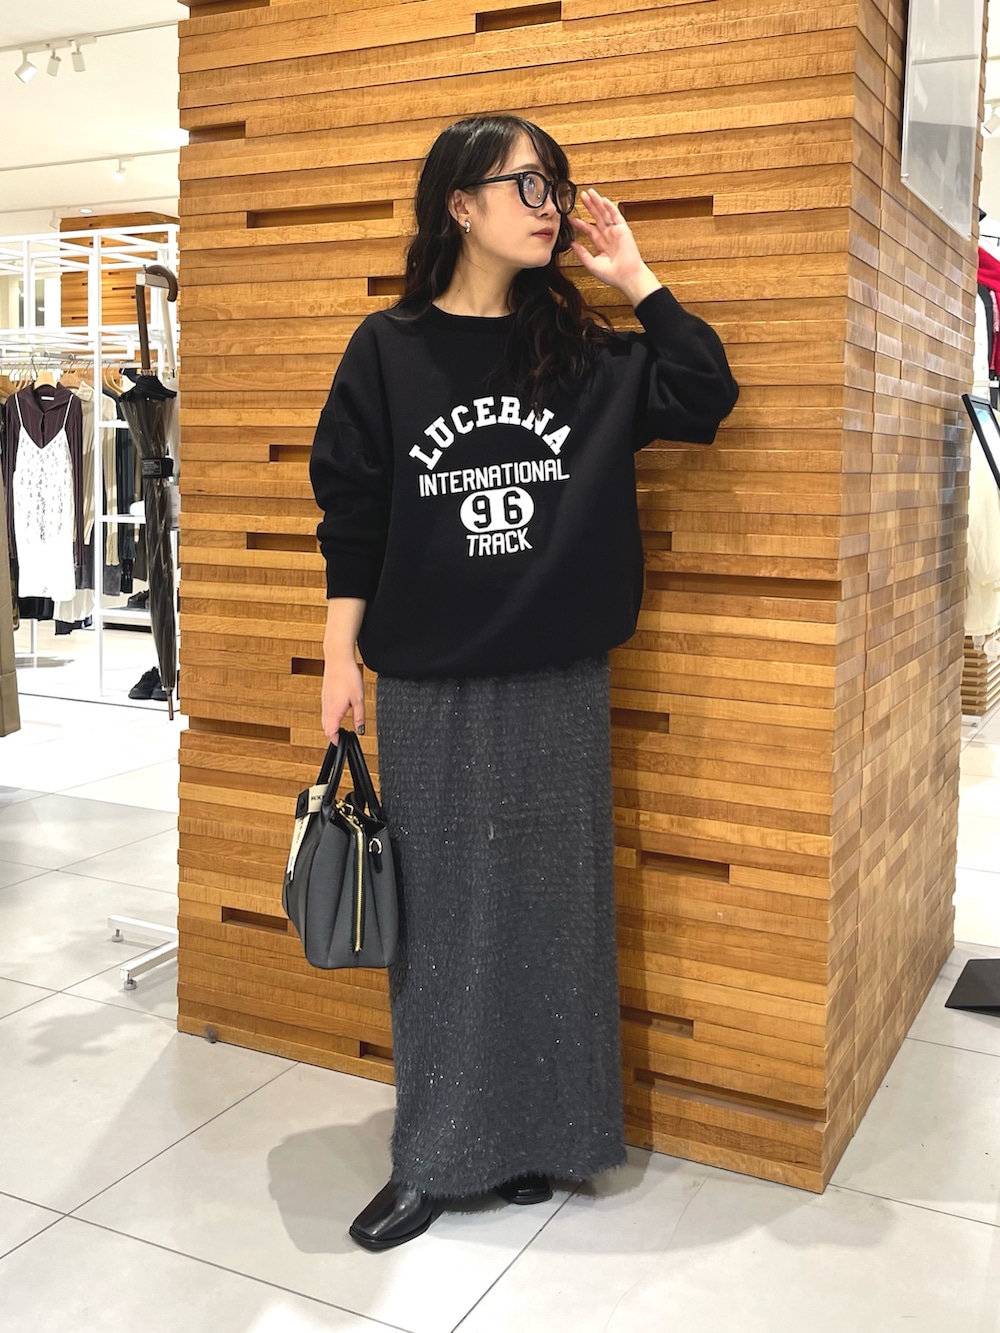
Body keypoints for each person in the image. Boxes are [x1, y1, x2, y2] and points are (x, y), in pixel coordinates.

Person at [309, 112, 738, 1251]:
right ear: (459, 205)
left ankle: (540, 1140)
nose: (549, 206)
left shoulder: (582, 353)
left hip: (558, 679)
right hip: (433, 682)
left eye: (556, 184)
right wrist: (340, 656)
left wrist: (634, 276)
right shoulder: (388, 350)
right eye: (524, 185)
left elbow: (705, 393)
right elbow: (352, 513)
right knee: (445, 924)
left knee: (554, 920)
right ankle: (434, 1154)